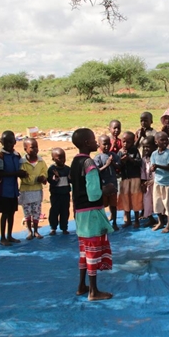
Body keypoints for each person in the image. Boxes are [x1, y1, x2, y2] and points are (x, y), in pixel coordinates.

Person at [70, 128, 115, 301]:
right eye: (93, 139)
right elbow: (94, 194)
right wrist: (107, 189)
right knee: (93, 252)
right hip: (91, 213)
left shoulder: (75, 162)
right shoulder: (89, 163)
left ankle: (82, 286)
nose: (96, 141)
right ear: (87, 143)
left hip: (80, 213)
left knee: (84, 251)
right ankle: (93, 291)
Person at [0, 130, 26, 246]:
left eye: (11, 142)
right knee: (5, 214)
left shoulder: (16, 155)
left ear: (14, 142)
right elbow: (0, 173)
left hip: (13, 190)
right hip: (3, 190)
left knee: (12, 213)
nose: (8, 145)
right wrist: (16, 173)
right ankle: (2, 237)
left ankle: (10, 235)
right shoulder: (0, 156)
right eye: (5, 142)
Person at [19, 138, 48, 240]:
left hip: (37, 190)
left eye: (36, 146)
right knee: (27, 212)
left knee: (36, 211)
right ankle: (29, 231)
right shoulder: (22, 162)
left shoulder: (41, 161)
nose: (35, 149)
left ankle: (36, 231)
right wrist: (36, 179)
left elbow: (45, 172)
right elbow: (24, 176)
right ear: (25, 149)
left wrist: (43, 177)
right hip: (25, 191)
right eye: (32, 147)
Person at [150, 131, 169, 233]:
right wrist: (152, 168)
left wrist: (157, 166)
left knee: (168, 204)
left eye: (167, 139)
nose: (165, 142)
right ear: (156, 142)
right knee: (158, 203)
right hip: (158, 182)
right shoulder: (153, 154)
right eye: (162, 140)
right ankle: (160, 222)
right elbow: (152, 166)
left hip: (168, 183)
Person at [94, 135, 120, 230]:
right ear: (99, 145)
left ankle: (115, 222)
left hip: (113, 185)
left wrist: (113, 163)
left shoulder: (113, 155)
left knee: (113, 205)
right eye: (104, 144)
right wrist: (107, 165)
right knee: (102, 206)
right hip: (103, 186)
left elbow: (119, 166)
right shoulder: (98, 158)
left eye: (108, 144)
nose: (106, 146)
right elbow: (96, 171)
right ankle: (104, 223)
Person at [117, 131, 143, 229]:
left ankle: (136, 220)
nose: (125, 144)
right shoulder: (120, 152)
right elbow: (118, 166)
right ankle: (128, 220)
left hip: (135, 179)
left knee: (135, 198)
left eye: (128, 142)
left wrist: (130, 159)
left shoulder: (135, 151)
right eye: (124, 141)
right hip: (125, 179)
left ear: (133, 142)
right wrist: (121, 162)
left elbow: (139, 163)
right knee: (125, 199)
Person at [48, 147, 71, 235]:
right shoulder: (52, 170)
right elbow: (51, 181)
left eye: (63, 157)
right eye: (59, 158)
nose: (62, 160)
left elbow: (70, 180)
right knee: (54, 210)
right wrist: (55, 178)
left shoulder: (68, 169)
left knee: (65, 211)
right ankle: (53, 227)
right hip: (56, 194)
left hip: (65, 193)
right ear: (53, 158)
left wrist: (70, 178)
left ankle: (64, 227)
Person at [139, 135, 157, 227]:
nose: (146, 149)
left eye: (148, 146)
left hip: (157, 183)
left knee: (158, 200)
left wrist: (154, 180)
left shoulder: (157, 157)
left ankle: (162, 218)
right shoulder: (144, 159)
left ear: (155, 146)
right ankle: (150, 218)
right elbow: (142, 171)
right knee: (147, 200)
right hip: (147, 184)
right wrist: (143, 182)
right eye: (144, 147)